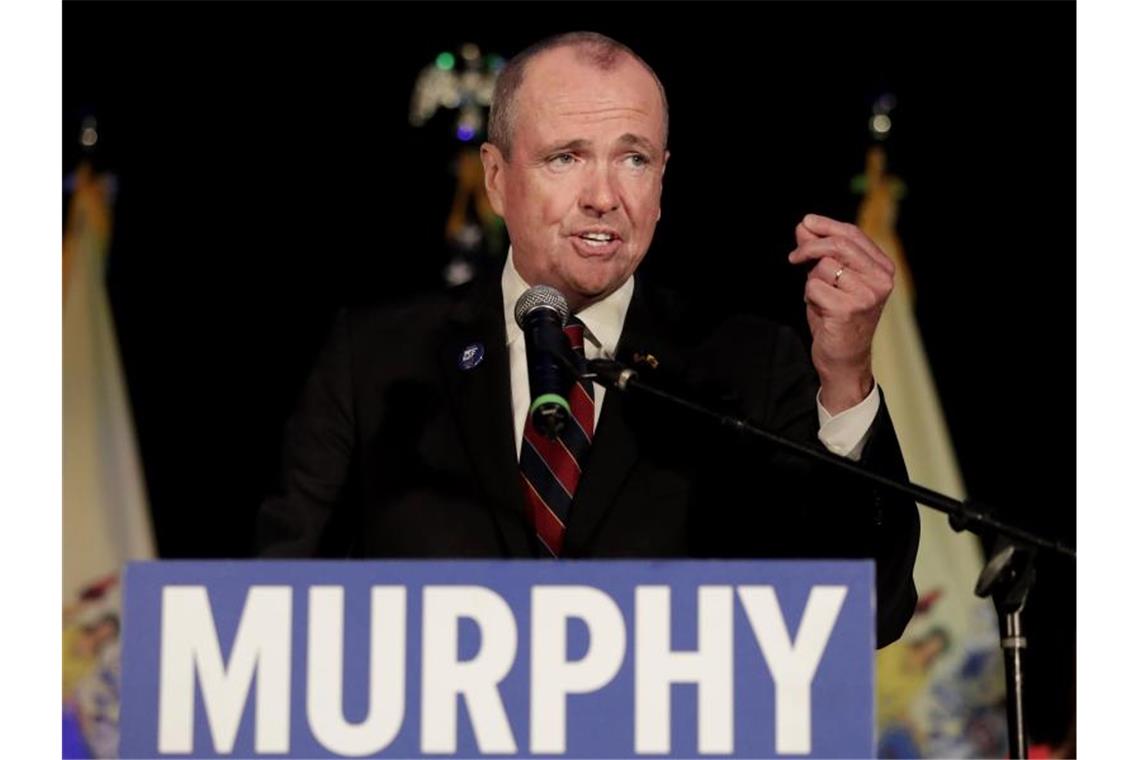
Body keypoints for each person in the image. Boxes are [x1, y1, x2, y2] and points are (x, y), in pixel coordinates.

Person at [257, 31, 919, 647]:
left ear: (661, 181)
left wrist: (844, 377)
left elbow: (869, 612)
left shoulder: (747, 366)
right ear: (497, 179)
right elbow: (276, 609)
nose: (603, 196)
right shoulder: (375, 362)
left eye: (632, 158)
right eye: (566, 157)